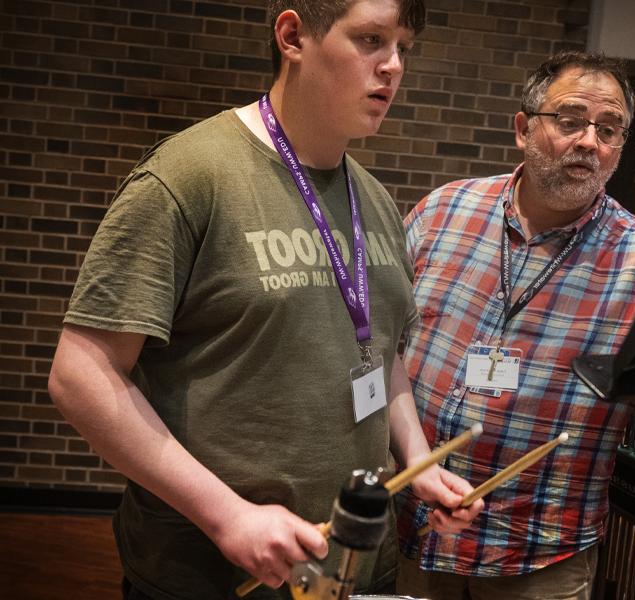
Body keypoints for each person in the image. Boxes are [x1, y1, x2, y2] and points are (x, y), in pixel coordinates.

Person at [47, 2, 482, 599]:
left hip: (346, 569)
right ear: (292, 36)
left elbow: (382, 355)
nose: (393, 67)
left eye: (404, 47)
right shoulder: (189, 176)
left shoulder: (376, 201)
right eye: (372, 40)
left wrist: (419, 461)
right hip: (209, 575)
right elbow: (81, 377)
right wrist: (228, 515)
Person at [394, 51, 635, 600]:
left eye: (608, 129)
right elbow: (378, 343)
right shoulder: (442, 212)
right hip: (413, 535)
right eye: (570, 120)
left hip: (538, 555)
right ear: (524, 128)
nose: (588, 142)